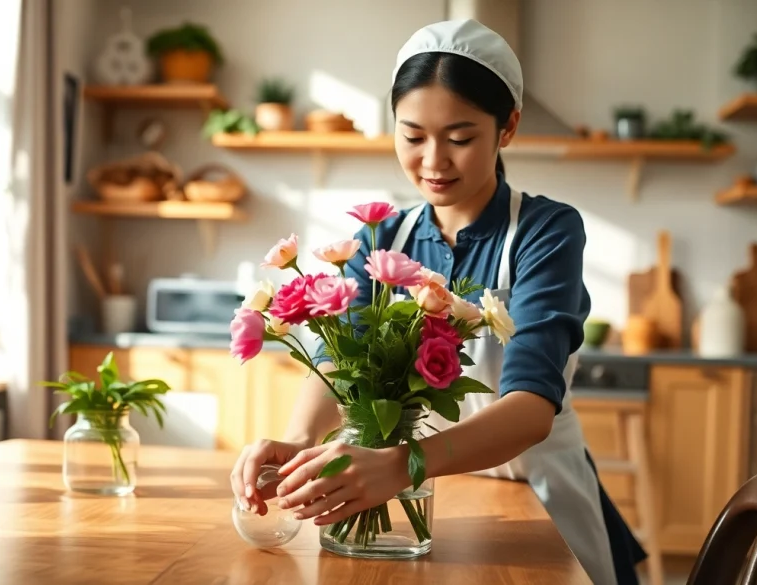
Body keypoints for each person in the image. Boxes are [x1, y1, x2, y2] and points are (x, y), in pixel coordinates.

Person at [229, 19, 646, 585]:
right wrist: (299, 442)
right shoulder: (381, 239)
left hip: (535, 495)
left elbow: (530, 406)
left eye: (459, 137)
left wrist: (404, 466)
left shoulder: (546, 231)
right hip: (423, 499)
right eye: (413, 135)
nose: (433, 161)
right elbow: (336, 365)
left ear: (508, 128)